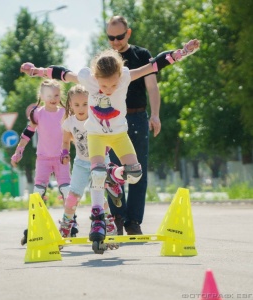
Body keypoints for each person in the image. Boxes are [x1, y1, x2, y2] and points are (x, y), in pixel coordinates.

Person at [20, 38, 200, 253]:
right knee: (96, 172)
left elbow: (153, 65)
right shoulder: (88, 79)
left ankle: (114, 176)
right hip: (95, 134)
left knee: (135, 174)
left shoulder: (124, 76)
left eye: (113, 85)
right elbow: (63, 74)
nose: (108, 89)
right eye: (104, 85)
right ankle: (99, 215)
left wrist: (182, 52)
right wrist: (37, 71)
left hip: (118, 135)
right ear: (96, 78)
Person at [105, 16, 176, 234]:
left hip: (138, 118)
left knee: (138, 171)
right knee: (113, 172)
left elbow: (152, 88)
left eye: (119, 37)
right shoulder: (106, 59)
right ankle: (118, 218)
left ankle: (133, 222)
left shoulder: (141, 55)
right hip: (113, 121)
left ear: (128, 33)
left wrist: (155, 115)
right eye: (111, 38)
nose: (115, 42)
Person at [58, 84, 119, 249]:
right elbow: (65, 140)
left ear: (90, 103)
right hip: (80, 163)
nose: (81, 108)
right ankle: (65, 227)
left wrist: (107, 147)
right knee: (72, 196)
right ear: (70, 105)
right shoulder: (68, 122)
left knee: (97, 196)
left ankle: (109, 226)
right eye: (76, 105)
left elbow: (110, 135)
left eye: (85, 104)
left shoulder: (96, 118)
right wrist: (64, 152)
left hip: (99, 162)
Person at [11, 79, 71, 245]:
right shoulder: (38, 113)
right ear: (42, 96)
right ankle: (32, 227)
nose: (53, 98)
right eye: (50, 95)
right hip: (43, 158)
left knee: (67, 190)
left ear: (61, 95)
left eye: (57, 95)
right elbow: (27, 133)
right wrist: (19, 151)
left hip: (61, 158)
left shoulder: (65, 112)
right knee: (38, 192)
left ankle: (70, 223)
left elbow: (75, 132)